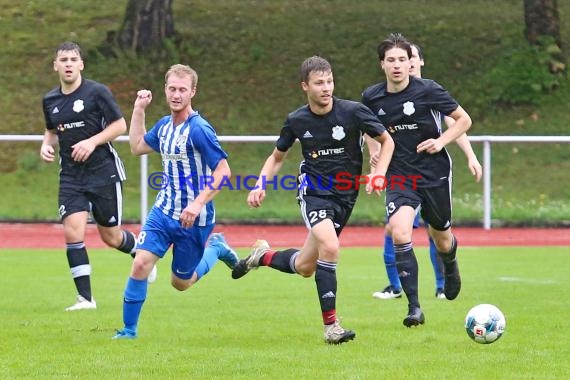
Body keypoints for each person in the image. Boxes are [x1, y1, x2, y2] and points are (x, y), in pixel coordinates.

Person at [231, 56, 394, 344]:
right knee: (330, 246)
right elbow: (276, 157)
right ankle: (332, 327)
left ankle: (262, 256)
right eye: (319, 83)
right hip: (314, 193)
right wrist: (260, 184)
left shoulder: (354, 112)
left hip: (346, 196)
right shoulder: (297, 120)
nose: (326, 88)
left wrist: (378, 173)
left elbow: (386, 140)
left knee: (306, 267)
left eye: (329, 81)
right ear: (305, 86)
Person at [112, 64, 239, 339]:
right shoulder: (164, 127)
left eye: (183, 89)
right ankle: (128, 331)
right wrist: (138, 110)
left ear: (193, 92)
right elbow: (136, 147)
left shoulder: (200, 130)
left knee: (181, 283)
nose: (176, 94)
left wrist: (196, 204)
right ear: (165, 90)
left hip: (194, 218)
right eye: (172, 88)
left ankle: (216, 249)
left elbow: (224, 172)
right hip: (163, 211)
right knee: (140, 264)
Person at [362, 33, 473, 327]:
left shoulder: (429, 90)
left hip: (433, 172)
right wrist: (375, 157)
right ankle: (414, 307)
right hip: (399, 176)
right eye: (391, 60)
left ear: (411, 62)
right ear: (382, 64)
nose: (397, 65)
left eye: (402, 60)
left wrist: (441, 141)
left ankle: (450, 263)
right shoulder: (371, 97)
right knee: (400, 231)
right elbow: (368, 130)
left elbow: (463, 120)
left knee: (441, 237)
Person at [40, 41, 156, 312]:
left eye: (73, 59)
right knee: (73, 231)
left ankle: (144, 255)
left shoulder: (97, 92)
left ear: (81, 64)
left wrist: (92, 142)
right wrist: (46, 145)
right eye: (63, 60)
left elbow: (120, 126)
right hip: (71, 176)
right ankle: (85, 299)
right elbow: (51, 130)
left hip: (103, 173)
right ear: (55, 66)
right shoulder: (50, 100)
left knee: (111, 237)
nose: (68, 64)